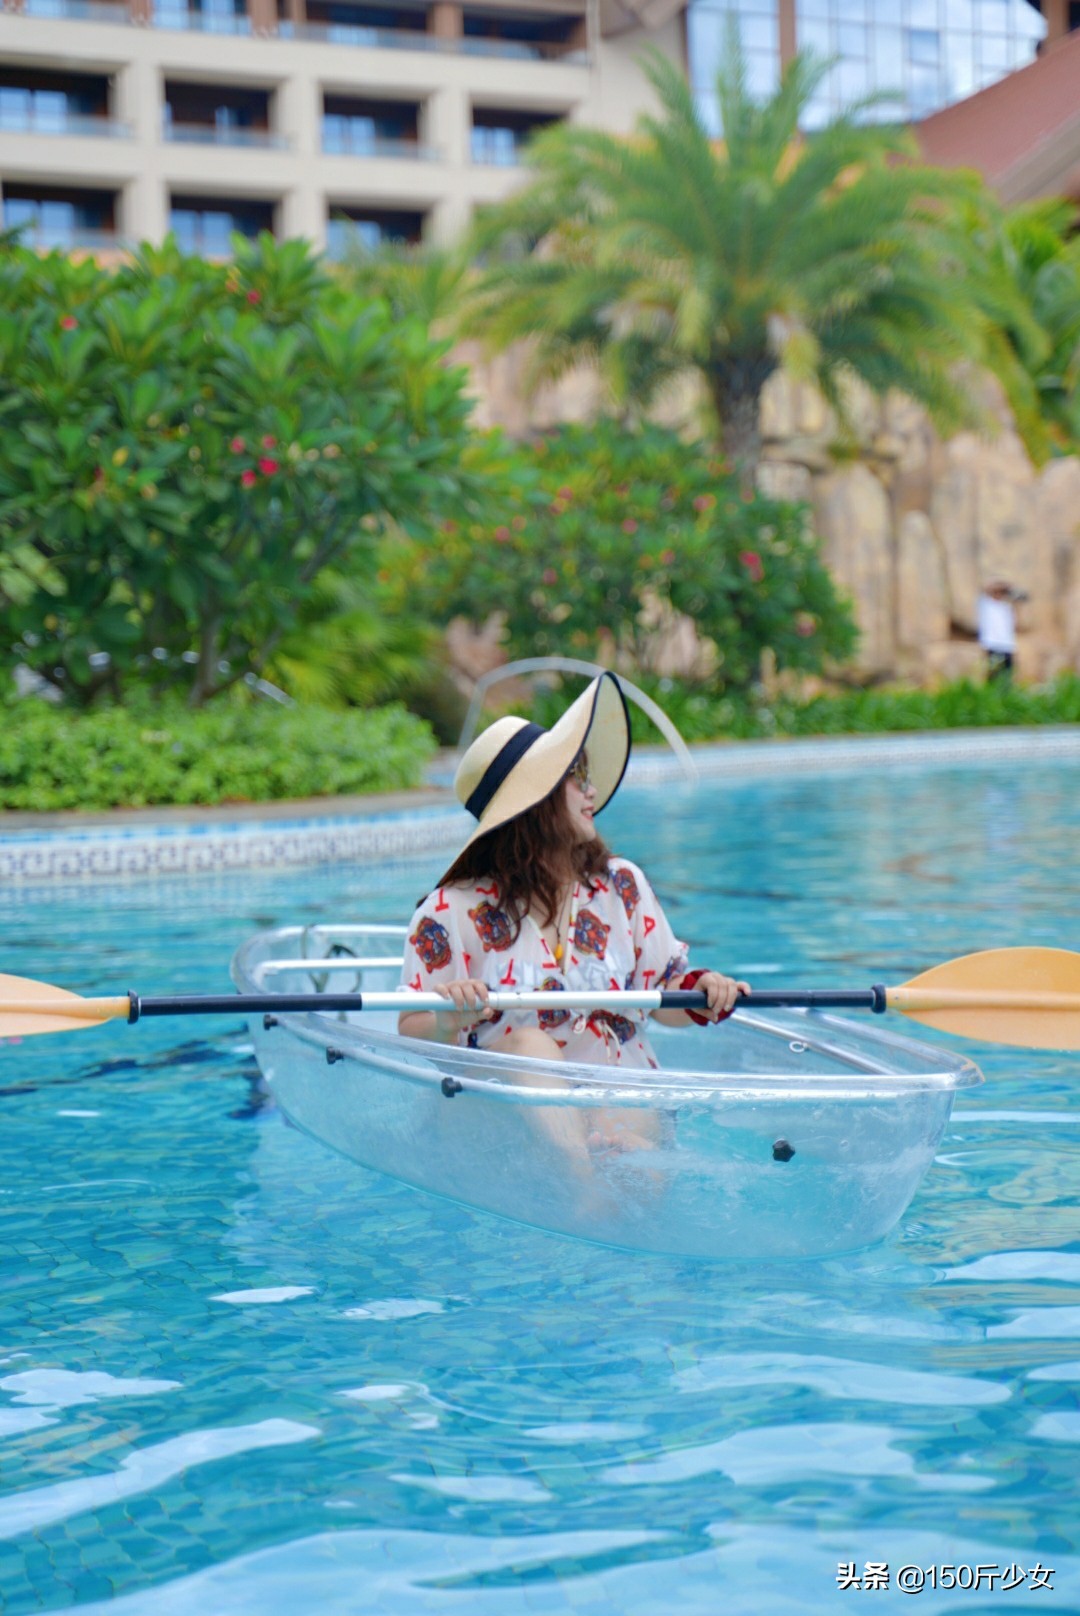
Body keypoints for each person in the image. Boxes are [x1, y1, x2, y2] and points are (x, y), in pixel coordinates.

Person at [398, 671, 749, 1161]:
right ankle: (585, 1187)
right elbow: (411, 1026)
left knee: (627, 1143)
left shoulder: (621, 885)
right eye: (576, 778)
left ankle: (606, 1184)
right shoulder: (448, 911)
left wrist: (705, 991)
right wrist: (446, 1017)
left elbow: (663, 995)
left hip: (619, 1098)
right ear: (535, 802)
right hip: (504, 1117)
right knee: (530, 1046)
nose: (592, 790)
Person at [977, 580, 1020, 682]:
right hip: (992, 644)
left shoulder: (1007, 608)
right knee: (993, 674)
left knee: (1007, 675)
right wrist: (1005, 586)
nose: (1000, 594)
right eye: (999, 592)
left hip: (1007, 646)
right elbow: (986, 587)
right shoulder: (986, 604)